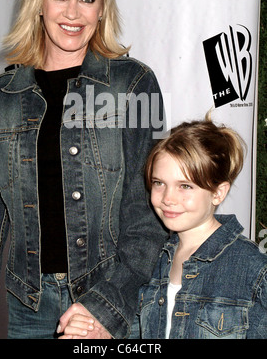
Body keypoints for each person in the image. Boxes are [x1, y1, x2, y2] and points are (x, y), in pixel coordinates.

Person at [0, 0, 167, 339]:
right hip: (29, 309)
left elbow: (149, 218)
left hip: (112, 304)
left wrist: (106, 308)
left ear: (101, 8)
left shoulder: (133, 86)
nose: (73, 13)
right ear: (38, 2)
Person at [65, 117, 267, 339]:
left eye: (185, 186)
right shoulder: (152, 263)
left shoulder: (254, 269)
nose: (168, 198)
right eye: (158, 183)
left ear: (218, 192)